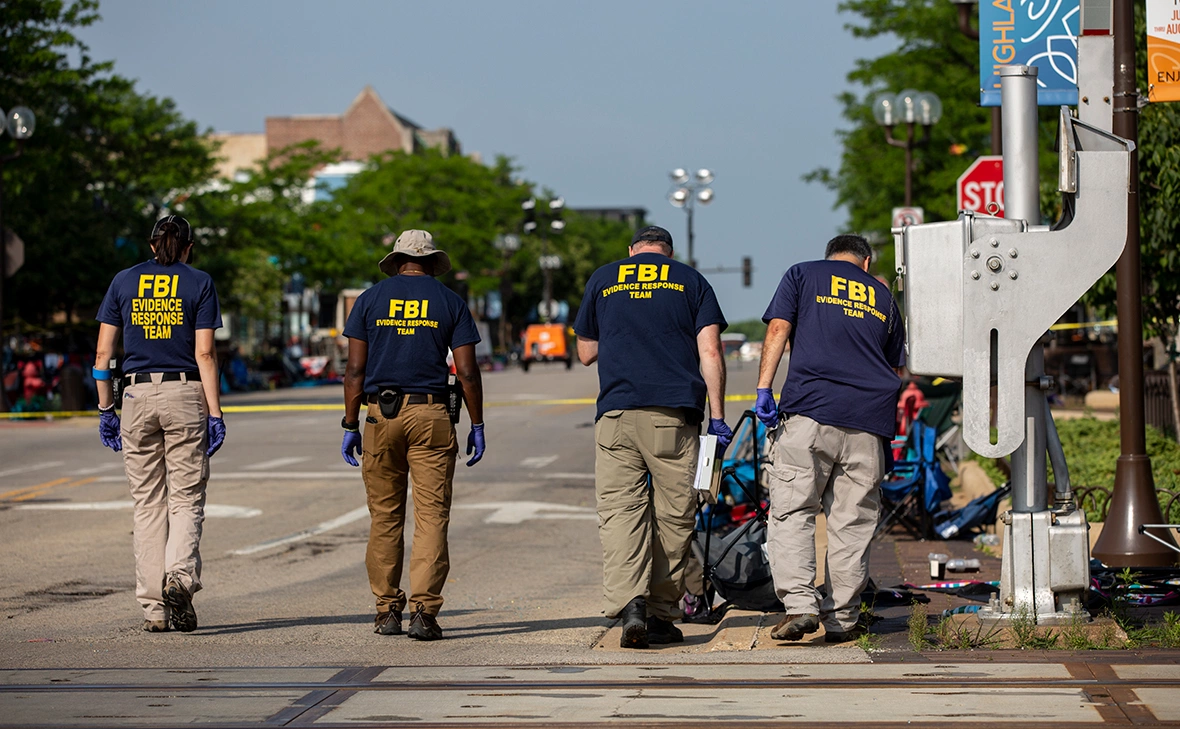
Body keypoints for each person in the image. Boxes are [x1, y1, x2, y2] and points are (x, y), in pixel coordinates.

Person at [574, 225, 731, 649]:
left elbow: (586, 352)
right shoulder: (691, 281)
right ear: (669, 253)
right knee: (674, 516)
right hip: (672, 417)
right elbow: (711, 352)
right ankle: (663, 614)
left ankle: (631, 608)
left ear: (632, 252)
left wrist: (627, 338)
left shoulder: (604, 278)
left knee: (621, 514)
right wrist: (717, 418)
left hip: (616, 416)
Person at [754, 234, 905, 644]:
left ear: (831, 257)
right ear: (867, 263)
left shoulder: (802, 274)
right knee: (852, 523)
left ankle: (801, 606)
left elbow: (779, 328)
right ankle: (842, 618)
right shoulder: (885, 299)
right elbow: (896, 367)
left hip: (810, 412)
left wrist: (764, 387)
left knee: (792, 510)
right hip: (868, 424)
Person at [341, 230, 485, 641]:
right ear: (431, 261)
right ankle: (424, 612)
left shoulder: (369, 300)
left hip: (378, 415)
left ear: (397, 260)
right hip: (431, 413)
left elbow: (354, 371)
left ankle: (386, 611)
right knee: (431, 516)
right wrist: (476, 423)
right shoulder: (450, 302)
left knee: (385, 518)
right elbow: (467, 372)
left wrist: (350, 424)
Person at [93, 215, 226, 633]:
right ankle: (179, 579)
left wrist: (105, 409)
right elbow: (204, 355)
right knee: (185, 497)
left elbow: (102, 356)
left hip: (133, 396)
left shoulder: (122, 282)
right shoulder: (200, 282)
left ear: (152, 245)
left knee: (147, 504)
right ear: (188, 247)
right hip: (184, 393)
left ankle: (153, 609)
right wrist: (215, 413)